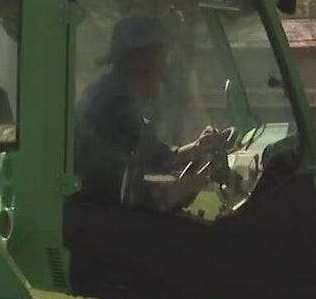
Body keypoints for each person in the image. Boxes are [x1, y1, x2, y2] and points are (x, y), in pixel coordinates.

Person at [75, 14, 225, 210]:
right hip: (104, 219)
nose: (164, 67)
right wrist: (193, 183)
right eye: (161, 55)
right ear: (141, 58)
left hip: (104, 214)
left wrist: (197, 147)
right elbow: (128, 181)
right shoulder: (112, 104)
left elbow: (153, 154)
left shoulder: (115, 95)